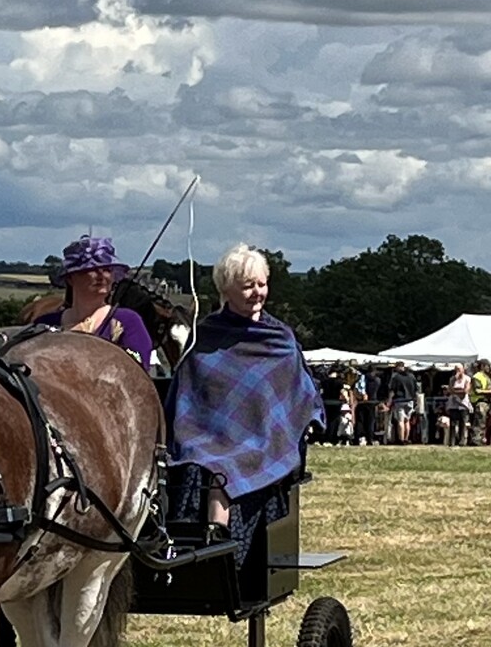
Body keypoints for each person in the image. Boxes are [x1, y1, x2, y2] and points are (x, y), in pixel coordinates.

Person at [163, 243, 323, 566]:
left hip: (266, 441)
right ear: (227, 290)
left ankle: (221, 539)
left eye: (261, 284)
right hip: (205, 437)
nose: (257, 293)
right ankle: (198, 542)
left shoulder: (279, 338)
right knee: (196, 461)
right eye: (247, 286)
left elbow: (296, 396)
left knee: (228, 464)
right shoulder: (205, 335)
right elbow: (187, 397)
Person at [34, 235, 153, 372]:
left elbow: (138, 375)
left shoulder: (128, 322)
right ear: (71, 278)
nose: (102, 276)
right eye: (91, 270)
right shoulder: (44, 324)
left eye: (107, 270)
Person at [387, 361, 417, 445]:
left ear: (398, 367)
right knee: (407, 420)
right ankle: (407, 438)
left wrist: (389, 401)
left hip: (399, 400)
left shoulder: (396, 377)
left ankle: (401, 439)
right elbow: (416, 389)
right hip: (410, 400)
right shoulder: (412, 376)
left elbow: (392, 390)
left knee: (400, 421)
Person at [443, 362, 471, 448]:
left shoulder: (467, 378)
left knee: (463, 423)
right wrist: (457, 389)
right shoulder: (452, 379)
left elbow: (465, 391)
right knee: (453, 423)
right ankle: (452, 442)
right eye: (455, 369)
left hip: (463, 404)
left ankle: (462, 442)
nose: (457, 371)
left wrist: (455, 391)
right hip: (453, 404)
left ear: (463, 369)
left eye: (459, 369)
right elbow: (450, 390)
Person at [468, 359, 490, 446]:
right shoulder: (477, 376)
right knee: (479, 422)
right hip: (479, 402)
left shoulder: (487, 377)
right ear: (482, 366)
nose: (488, 367)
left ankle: (483, 439)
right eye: (487, 366)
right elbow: (477, 390)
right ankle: (476, 441)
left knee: (485, 423)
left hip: (487, 402)